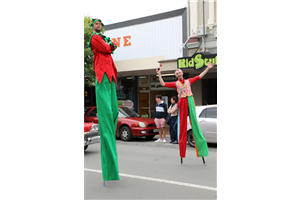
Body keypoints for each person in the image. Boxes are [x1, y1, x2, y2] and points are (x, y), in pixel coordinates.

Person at [156, 63, 214, 159]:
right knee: (182, 124)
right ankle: (182, 152)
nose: (178, 74)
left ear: (182, 73)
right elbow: (163, 84)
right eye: (177, 73)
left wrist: (207, 68)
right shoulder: (175, 84)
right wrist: (159, 74)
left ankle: (201, 147)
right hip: (182, 100)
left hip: (190, 99)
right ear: (176, 75)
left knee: (194, 122)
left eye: (179, 72)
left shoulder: (188, 81)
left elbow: (199, 76)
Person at [88, 18, 119, 181]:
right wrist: (110, 45)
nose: (98, 25)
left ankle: (111, 142)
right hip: (102, 76)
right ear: (93, 27)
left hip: (111, 75)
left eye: (100, 24)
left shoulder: (103, 37)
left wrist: (111, 46)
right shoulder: (95, 38)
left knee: (114, 112)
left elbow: (112, 47)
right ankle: (108, 167)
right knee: (106, 114)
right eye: (96, 24)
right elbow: (108, 48)